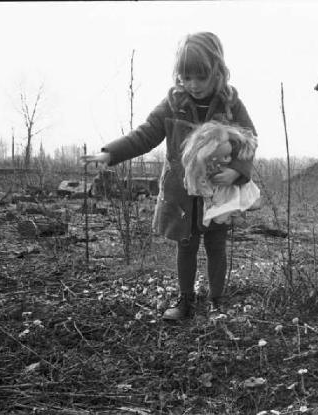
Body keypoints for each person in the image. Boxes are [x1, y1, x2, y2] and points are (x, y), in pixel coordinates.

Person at [81, 32, 257, 320]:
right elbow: (145, 134)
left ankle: (216, 303)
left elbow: (249, 140)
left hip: (218, 195)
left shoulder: (230, 104)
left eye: (201, 77)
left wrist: (237, 170)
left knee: (216, 247)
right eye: (187, 77)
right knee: (185, 246)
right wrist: (109, 154)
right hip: (182, 195)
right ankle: (185, 302)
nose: (194, 85)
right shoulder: (173, 103)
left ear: (217, 71)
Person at [181, 120, 260, 227]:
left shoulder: (231, 143)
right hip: (216, 196)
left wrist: (236, 171)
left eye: (229, 155)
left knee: (237, 198)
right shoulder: (203, 167)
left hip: (231, 188)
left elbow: (249, 143)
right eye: (225, 157)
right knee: (221, 207)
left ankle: (235, 213)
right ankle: (229, 214)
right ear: (211, 158)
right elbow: (201, 189)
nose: (229, 159)